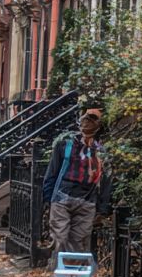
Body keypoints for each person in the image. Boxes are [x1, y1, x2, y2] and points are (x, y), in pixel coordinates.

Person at [42, 107, 112, 255]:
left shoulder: (101, 152)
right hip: (62, 199)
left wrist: (103, 208)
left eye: (92, 119)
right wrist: (49, 199)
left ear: (99, 126)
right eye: (86, 118)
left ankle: (71, 270)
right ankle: (58, 269)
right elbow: (52, 172)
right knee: (60, 241)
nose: (87, 122)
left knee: (78, 247)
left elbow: (106, 181)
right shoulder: (65, 145)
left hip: (86, 202)